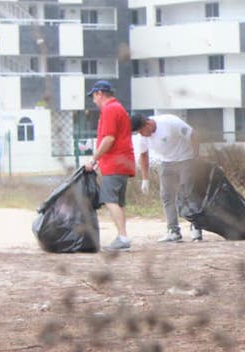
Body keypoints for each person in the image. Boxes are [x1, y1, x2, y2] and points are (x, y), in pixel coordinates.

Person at [130, 113, 203, 243]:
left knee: (188, 193)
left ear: (148, 124)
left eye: (141, 131)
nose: (141, 135)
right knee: (167, 196)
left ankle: (195, 226)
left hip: (186, 158)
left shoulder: (170, 123)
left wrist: (196, 158)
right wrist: (145, 179)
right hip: (167, 162)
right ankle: (173, 230)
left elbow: (193, 135)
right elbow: (144, 155)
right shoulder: (142, 137)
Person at [84, 80, 135, 251]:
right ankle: (123, 236)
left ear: (100, 93)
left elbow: (108, 138)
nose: (93, 101)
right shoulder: (118, 108)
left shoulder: (110, 110)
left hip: (115, 163)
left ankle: (123, 237)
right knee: (118, 202)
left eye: (94, 96)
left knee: (109, 199)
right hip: (122, 162)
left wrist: (94, 159)